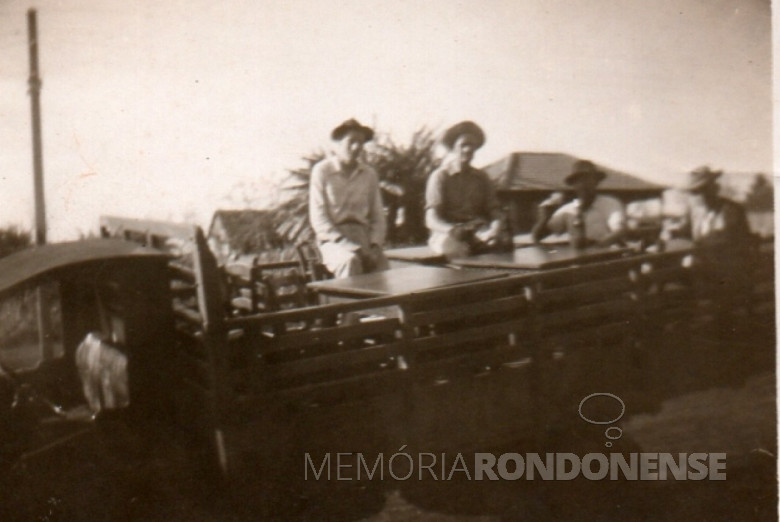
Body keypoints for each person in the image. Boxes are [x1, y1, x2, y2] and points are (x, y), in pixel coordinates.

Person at [309, 119, 388, 278]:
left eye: (360, 142)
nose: (356, 147)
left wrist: (375, 245)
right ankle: (349, 303)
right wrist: (348, 245)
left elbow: (378, 216)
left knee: (382, 265)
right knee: (350, 261)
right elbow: (318, 218)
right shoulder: (322, 171)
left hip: (363, 237)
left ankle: (382, 304)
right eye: (351, 142)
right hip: (333, 241)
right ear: (337, 145)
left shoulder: (369, 174)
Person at [425, 121, 505, 259]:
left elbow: (494, 210)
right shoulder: (440, 176)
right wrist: (451, 230)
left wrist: (495, 228)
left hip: (477, 230)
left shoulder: (482, 177)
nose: (468, 150)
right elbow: (431, 218)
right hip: (447, 233)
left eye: (472, 146)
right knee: (455, 251)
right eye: (463, 145)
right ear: (453, 149)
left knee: (502, 246)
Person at [532, 160, 626, 248]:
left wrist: (596, 247)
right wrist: (545, 213)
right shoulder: (568, 210)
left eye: (588, 179)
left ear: (596, 182)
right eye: (578, 181)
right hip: (580, 260)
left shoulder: (610, 203)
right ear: (573, 185)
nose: (583, 184)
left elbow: (619, 231)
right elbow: (539, 236)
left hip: (607, 256)